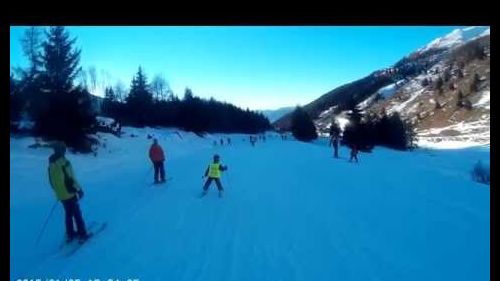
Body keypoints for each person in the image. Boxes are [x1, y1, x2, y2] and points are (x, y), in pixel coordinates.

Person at [48, 142, 89, 244]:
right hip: (70, 193)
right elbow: (71, 178)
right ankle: (82, 234)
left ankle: (70, 234)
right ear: (61, 150)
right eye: (63, 149)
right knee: (77, 214)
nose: (64, 151)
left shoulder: (51, 164)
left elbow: (52, 182)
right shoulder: (64, 163)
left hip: (61, 195)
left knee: (68, 214)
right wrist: (79, 190)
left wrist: (58, 192)